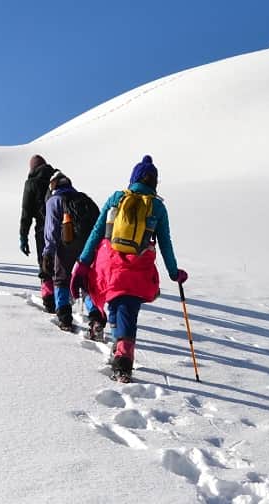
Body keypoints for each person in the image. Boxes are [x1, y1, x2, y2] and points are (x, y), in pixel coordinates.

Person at [70, 155, 188, 382]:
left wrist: (83, 263)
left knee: (113, 305)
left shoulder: (116, 198)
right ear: (154, 183)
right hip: (139, 266)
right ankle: (123, 357)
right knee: (128, 309)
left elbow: (96, 232)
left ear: (133, 179)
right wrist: (174, 272)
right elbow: (165, 243)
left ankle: (118, 348)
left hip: (108, 263)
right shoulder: (157, 207)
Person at [40, 170, 100, 332]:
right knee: (87, 283)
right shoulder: (83, 199)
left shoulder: (54, 200)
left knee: (61, 280)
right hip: (88, 246)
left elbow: (51, 230)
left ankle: (65, 318)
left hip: (65, 245)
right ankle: (95, 317)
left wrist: (48, 253)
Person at [19, 155, 56, 309]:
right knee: (60, 265)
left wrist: (23, 237)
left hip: (43, 229)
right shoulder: (56, 179)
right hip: (64, 228)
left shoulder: (31, 183)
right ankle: (62, 300)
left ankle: (49, 299)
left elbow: (26, 213)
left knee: (45, 263)